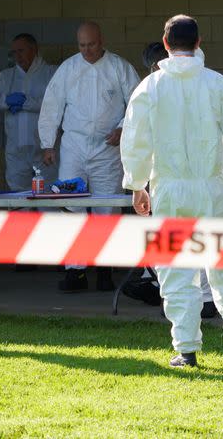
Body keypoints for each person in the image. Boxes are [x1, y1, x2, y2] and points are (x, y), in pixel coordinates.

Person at [121, 15, 223, 367]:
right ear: (199, 42)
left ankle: (186, 349)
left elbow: (135, 142)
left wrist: (137, 186)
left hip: (168, 189)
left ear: (166, 43)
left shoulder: (149, 87)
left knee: (175, 270)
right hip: (211, 187)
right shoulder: (216, 84)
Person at [38, 21, 140, 292]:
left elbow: (138, 104)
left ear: (101, 40)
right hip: (74, 145)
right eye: (82, 45)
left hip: (107, 149)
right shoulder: (69, 68)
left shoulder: (119, 67)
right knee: (71, 206)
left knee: (106, 207)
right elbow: (52, 105)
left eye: (91, 44)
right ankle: (76, 270)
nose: (86, 50)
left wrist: (123, 128)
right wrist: (48, 143)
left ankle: (105, 269)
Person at [0, 33, 58, 191]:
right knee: (18, 199)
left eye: (21, 51)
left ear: (34, 49)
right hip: (16, 151)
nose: (17, 56)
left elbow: (58, 104)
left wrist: (27, 103)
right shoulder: (6, 77)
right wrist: (5, 101)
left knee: (50, 198)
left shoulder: (51, 73)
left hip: (45, 150)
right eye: (14, 52)